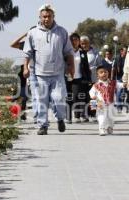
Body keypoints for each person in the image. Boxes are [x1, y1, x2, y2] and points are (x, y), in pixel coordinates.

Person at [23, 4, 75, 135]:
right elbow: (27, 53)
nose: (46, 19)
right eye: (44, 16)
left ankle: (60, 119)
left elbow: (69, 52)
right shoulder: (33, 33)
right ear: (40, 17)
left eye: (49, 16)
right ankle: (43, 126)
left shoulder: (62, 32)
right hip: (40, 74)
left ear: (53, 16)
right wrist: (25, 68)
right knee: (41, 101)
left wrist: (72, 67)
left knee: (59, 99)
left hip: (58, 73)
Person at [80, 35, 102, 122]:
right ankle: (83, 114)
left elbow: (100, 65)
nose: (84, 45)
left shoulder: (95, 52)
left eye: (85, 43)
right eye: (82, 44)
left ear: (89, 43)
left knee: (93, 97)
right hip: (82, 79)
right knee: (82, 97)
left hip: (93, 78)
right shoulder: (79, 52)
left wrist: (93, 69)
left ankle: (92, 114)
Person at [89, 65, 116, 136]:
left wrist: (126, 84)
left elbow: (119, 85)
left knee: (111, 117)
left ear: (108, 73)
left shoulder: (112, 83)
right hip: (100, 104)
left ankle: (110, 126)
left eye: (105, 72)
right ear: (97, 75)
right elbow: (91, 92)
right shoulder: (96, 85)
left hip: (110, 104)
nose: (104, 73)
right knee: (101, 117)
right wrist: (95, 99)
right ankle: (101, 129)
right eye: (101, 72)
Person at [112, 47, 129, 113]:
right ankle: (119, 107)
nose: (126, 53)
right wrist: (112, 79)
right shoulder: (117, 58)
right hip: (119, 78)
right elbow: (114, 69)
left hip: (128, 78)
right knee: (119, 92)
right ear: (121, 51)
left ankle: (127, 107)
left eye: (127, 51)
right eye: (125, 51)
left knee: (128, 93)